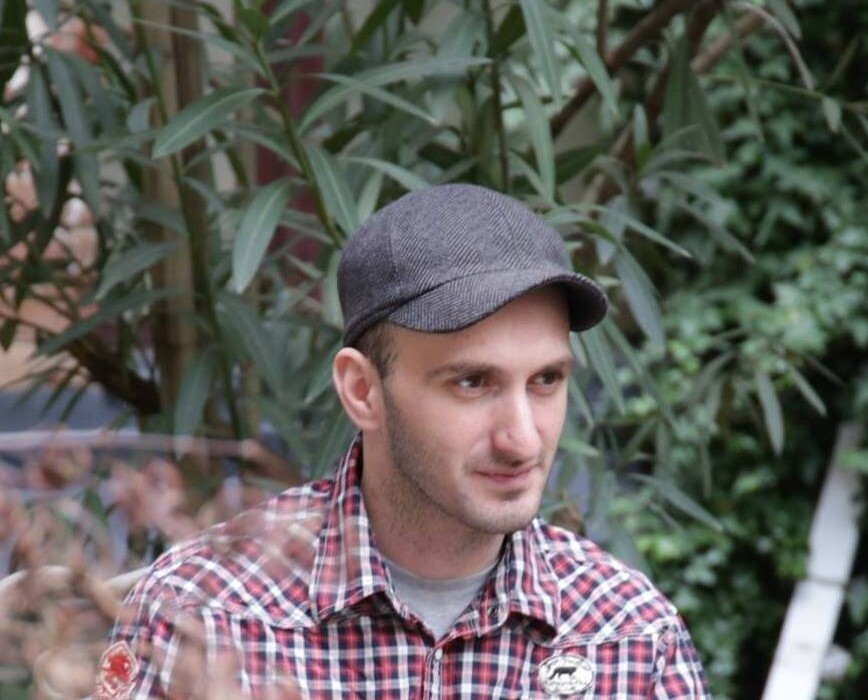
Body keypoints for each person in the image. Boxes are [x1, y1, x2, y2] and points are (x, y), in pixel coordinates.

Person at [98, 184, 711, 699]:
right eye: (472, 382)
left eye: (546, 380)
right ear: (362, 390)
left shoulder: (628, 637)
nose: (523, 439)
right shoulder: (203, 613)